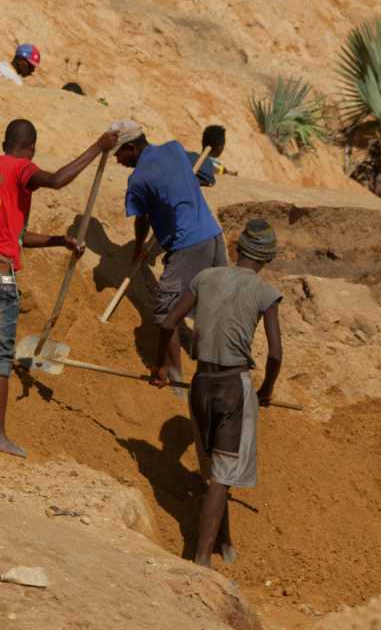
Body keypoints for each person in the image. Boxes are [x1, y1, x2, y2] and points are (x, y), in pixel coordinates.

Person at [0, 119, 123, 456]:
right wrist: (98, 147)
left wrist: (59, 241)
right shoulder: (20, 168)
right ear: (31, 148)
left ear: (5, 142)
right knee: (1, 355)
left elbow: (15, 236)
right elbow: (57, 180)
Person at [149, 218, 283, 569]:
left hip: (200, 386)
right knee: (222, 476)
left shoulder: (205, 278)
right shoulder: (265, 292)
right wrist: (266, 389)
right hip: (233, 388)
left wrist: (160, 366)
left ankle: (225, 543)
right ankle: (202, 562)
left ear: (238, 249)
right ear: (267, 259)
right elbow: (275, 354)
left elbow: (167, 323)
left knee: (216, 473)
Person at [114, 120, 227, 384]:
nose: (117, 160)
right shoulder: (175, 149)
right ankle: (222, 370)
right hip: (213, 236)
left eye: (118, 154)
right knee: (216, 305)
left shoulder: (138, 178)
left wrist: (139, 248)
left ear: (130, 148)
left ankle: (173, 379)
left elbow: (141, 220)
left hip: (187, 246)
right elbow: (197, 171)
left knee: (167, 313)